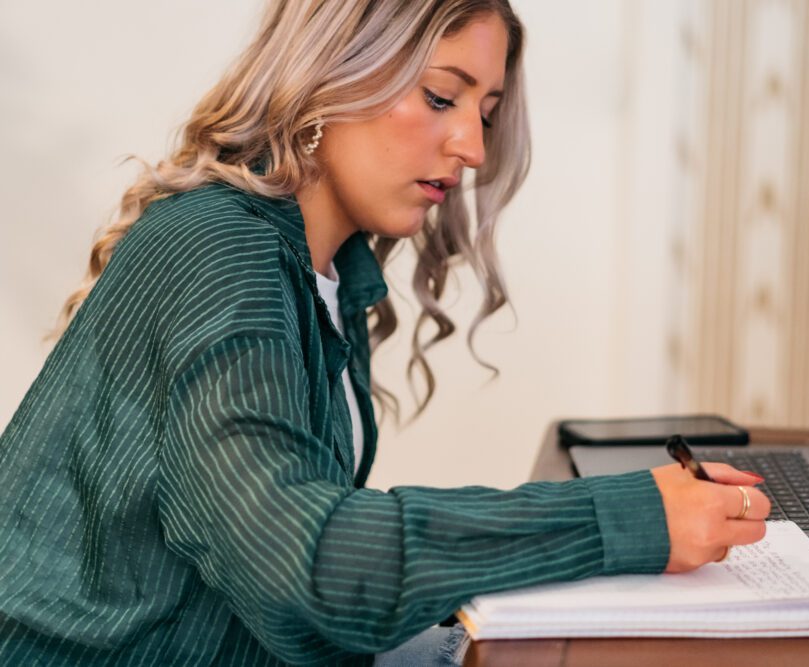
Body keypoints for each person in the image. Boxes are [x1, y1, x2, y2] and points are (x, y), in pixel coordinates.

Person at [0, 1, 770, 665]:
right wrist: (628, 517)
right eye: (442, 97)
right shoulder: (218, 247)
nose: (472, 146)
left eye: (486, 113)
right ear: (329, 74)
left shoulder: (325, 269)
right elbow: (303, 567)